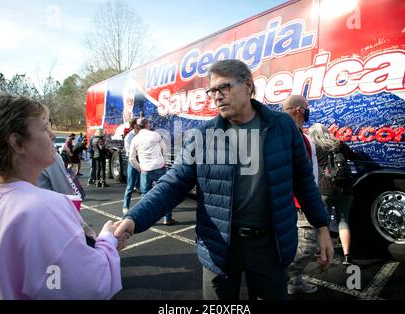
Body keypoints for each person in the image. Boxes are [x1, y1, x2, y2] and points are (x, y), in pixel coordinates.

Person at [115, 59, 333, 300]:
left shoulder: (282, 126)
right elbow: (172, 184)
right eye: (212, 91)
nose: (217, 96)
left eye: (224, 88)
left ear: (248, 86)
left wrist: (322, 227)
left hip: (270, 247)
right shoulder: (203, 135)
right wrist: (134, 219)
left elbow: (304, 182)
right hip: (219, 248)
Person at [0, 93, 122, 299]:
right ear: (17, 143)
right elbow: (92, 286)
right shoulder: (42, 208)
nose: (53, 136)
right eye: (45, 128)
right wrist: (108, 240)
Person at [283, 95, 320, 295]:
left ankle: (294, 282)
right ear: (299, 110)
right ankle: (281, 277)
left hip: (305, 197)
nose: (308, 111)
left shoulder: (301, 134)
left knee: (298, 243)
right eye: (306, 107)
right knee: (307, 246)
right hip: (298, 201)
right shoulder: (286, 134)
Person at [308, 123, 357, 265]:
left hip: (325, 188)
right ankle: (347, 256)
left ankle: (322, 252)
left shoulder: (314, 148)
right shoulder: (340, 144)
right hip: (345, 188)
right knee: (343, 221)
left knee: (323, 222)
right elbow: (354, 157)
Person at [128, 117, 176, 225]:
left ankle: (147, 220)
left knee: (146, 196)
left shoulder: (135, 139)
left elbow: (131, 158)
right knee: (165, 193)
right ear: (147, 125)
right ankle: (167, 218)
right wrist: (161, 158)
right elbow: (165, 148)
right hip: (159, 168)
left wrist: (140, 168)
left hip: (145, 170)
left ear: (137, 126)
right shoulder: (155, 135)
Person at [122, 118, 140, 215]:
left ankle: (144, 207)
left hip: (143, 162)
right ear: (134, 126)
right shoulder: (129, 137)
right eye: (138, 124)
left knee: (143, 187)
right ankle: (125, 206)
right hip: (133, 163)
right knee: (130, 186)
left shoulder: (142, 134)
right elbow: (129, 152)